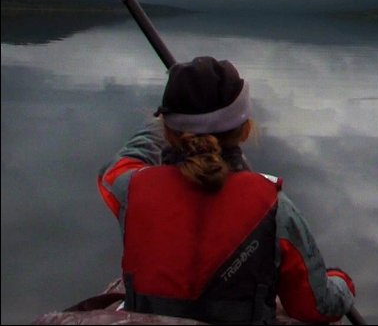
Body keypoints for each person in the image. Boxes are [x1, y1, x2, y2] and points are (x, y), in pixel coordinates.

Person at [98, 56, 356, 325]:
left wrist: (173, 114)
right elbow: (317, 307)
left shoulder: (131, 188)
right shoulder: (274, 206)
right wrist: (343, 283)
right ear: (245, 130)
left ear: (169, 129)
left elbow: (125, 160)